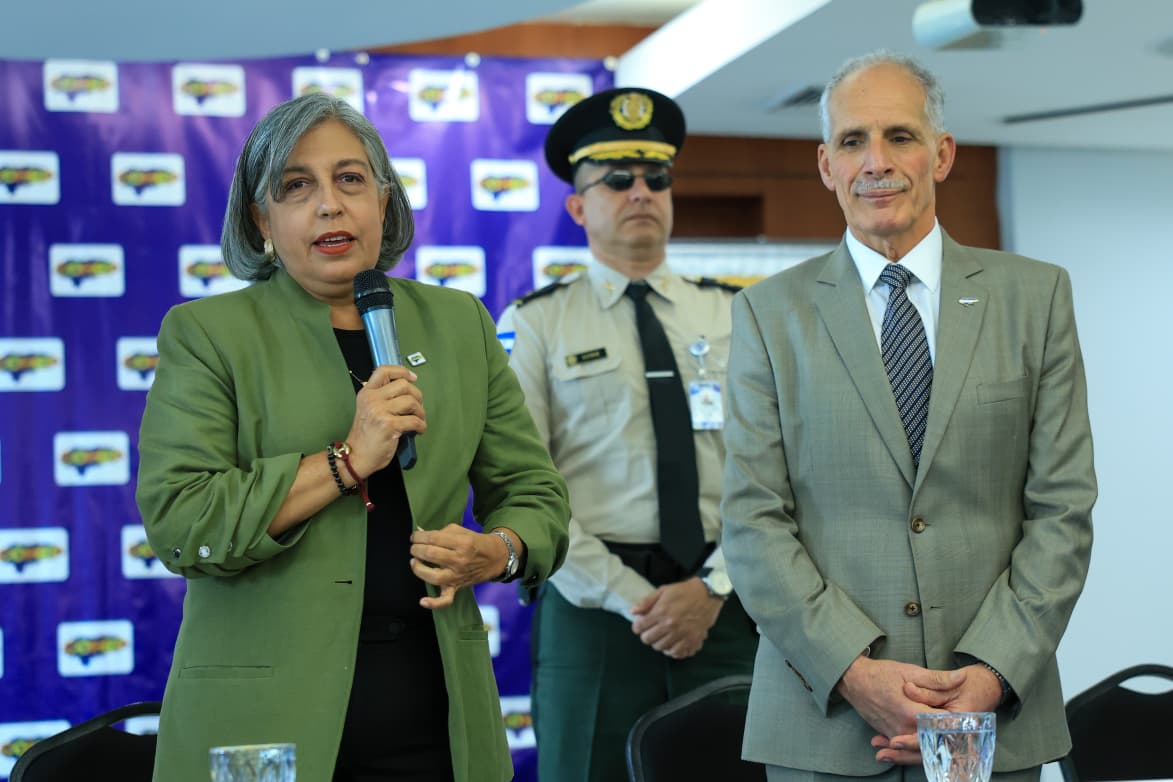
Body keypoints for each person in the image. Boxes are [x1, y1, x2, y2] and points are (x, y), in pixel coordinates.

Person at [135, 92, 570, 782]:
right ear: (261, 220)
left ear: (384, 201)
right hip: (264, 721)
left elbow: (532, 491)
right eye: (296, 186)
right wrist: (346, 461)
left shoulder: (459, 322)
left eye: (350, 179)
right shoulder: (207, 335)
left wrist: (499, 550)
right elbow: (182, 522)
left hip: (436, 716)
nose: (329, 205)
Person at [720, 50, 1096, 782]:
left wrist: (990, 672)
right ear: (826, 165)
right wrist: (855, 672)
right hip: (828, 725)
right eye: (852, 141)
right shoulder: (767, 314)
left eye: (900, 136)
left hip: (987, 715)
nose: (876, 162)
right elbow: (752, 520)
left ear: (942, 154)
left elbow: (1063, 506)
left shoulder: (1035, 298)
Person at [496, 86, 758, 782]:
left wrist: (712, 587)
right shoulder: (537, 323)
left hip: (723, 602)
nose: (640, 192)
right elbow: (522, 483)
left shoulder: (737, 314)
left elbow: (776, 471)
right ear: (578, 207)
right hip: (595, 610)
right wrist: (629, 598)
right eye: (616, 180)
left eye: (656, 178)